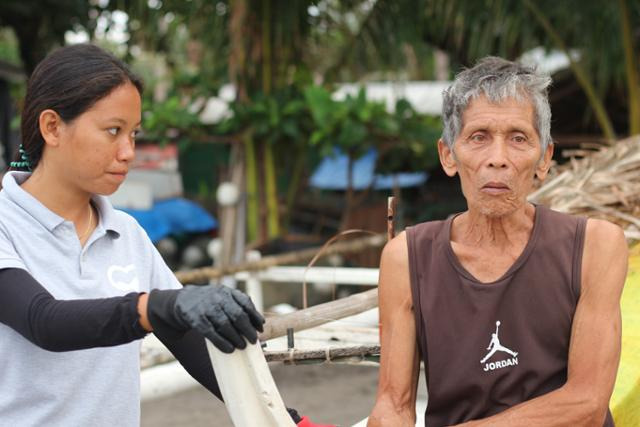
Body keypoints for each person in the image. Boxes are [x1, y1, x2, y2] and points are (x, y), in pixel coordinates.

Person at [0, 43, 331, 427]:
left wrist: (286, 420)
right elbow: (46, 321)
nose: (128, 152)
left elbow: (190, 340)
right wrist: (155, 307)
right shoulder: (6, 226)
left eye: (134, 134)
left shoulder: (126, 233)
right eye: (112, 131)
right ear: (52, 127)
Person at [368, 57, 627, 426]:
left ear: (544, 159)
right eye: (479, 137)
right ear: (448, 156)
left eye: (519, 139)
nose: (498, 160)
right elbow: (393, 403)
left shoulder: (594, 247)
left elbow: (585, 405)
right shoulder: (406, 259)